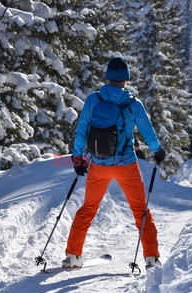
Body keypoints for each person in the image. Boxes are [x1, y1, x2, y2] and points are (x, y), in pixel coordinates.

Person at [62, 56, 166, 270]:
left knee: (88, 208)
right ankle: (151, 258)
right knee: (140, 209)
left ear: (107, 77)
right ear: (126, 78)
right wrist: (158, 150)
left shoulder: (93, 100)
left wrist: (77, 158)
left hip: (98, 165)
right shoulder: (132, 104)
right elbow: (147, 131)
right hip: (126, 165)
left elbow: (81, 130)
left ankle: (73, 255)